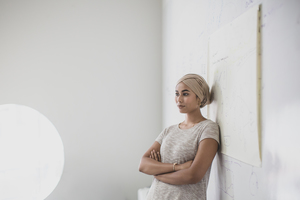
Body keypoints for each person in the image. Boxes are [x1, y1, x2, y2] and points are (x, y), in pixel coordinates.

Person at [139, 74, 220, 200]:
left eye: (185, 94)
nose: (179, 99)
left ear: (199, 98)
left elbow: (193, 176)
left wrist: (157, 172)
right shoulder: (168, 130)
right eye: (177, 94)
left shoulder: (208, 128)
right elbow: (143, 165)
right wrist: (178, 167)